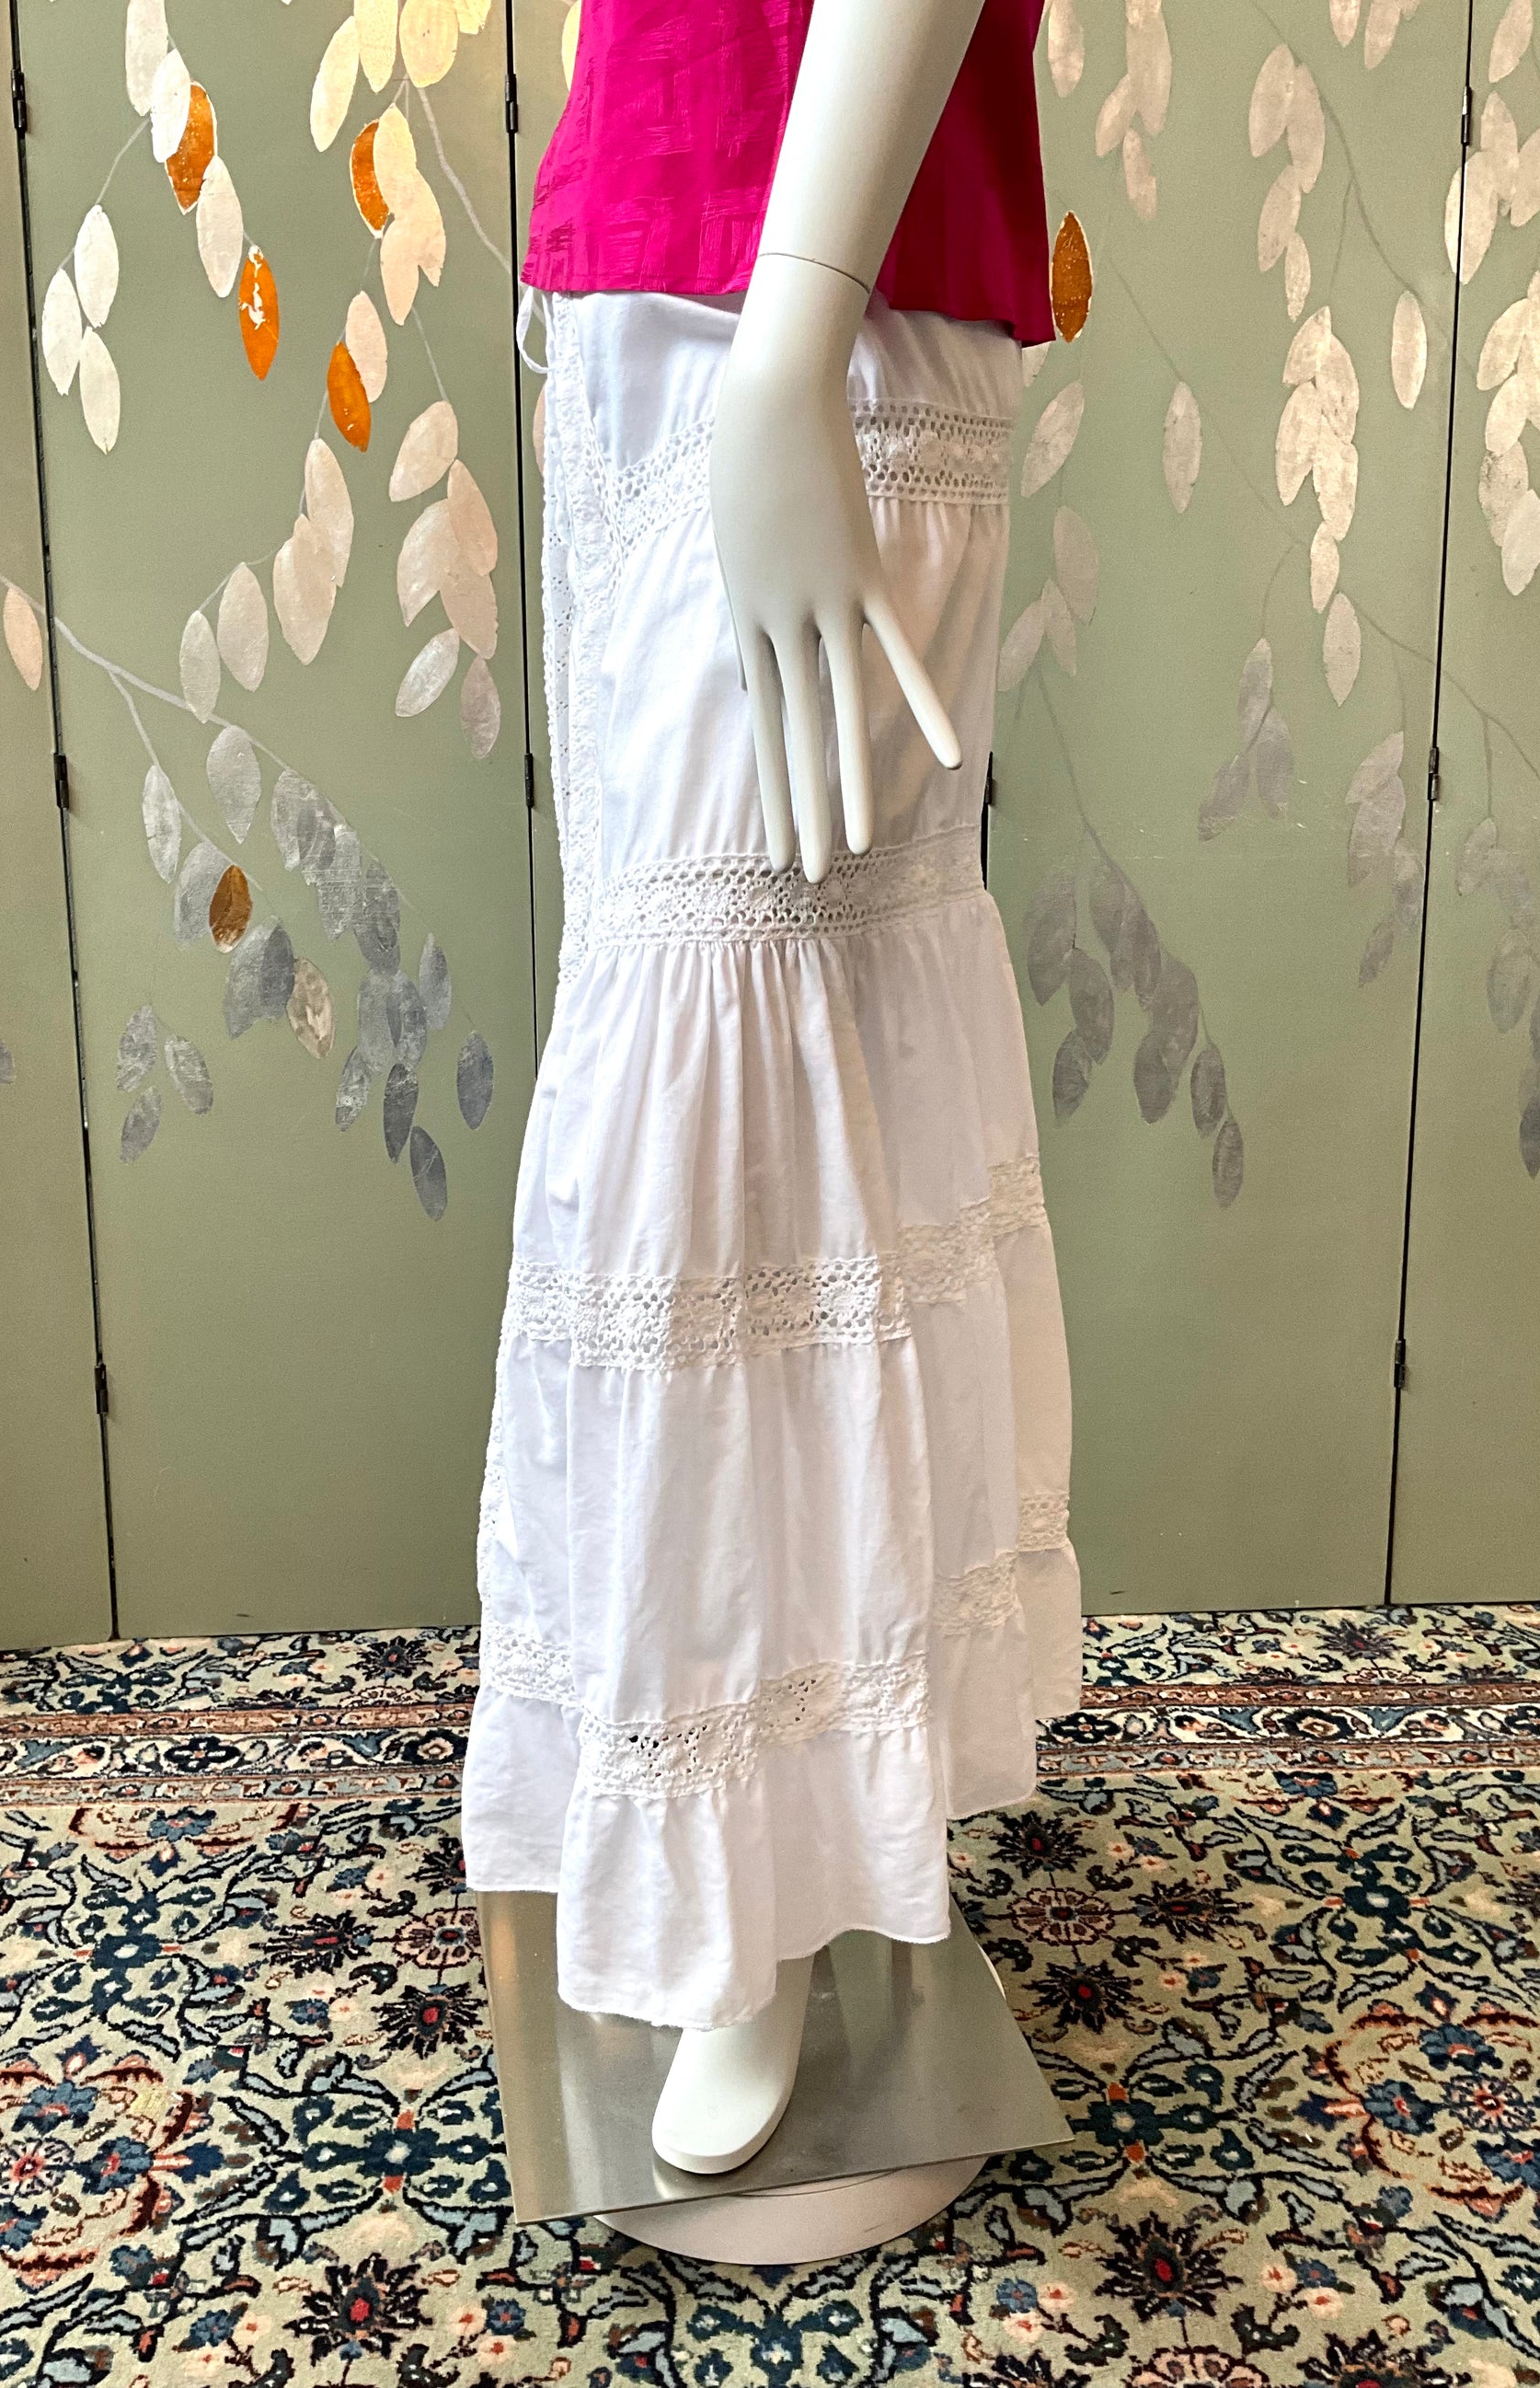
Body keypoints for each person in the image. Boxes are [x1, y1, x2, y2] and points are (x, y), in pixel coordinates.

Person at [462, 0, 1083, 2172]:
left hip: (818, 279)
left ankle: (761, 1874)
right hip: (652, 278)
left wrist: (796, 326)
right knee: (703, 1064)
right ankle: (765, 1816)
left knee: (758, 1070)